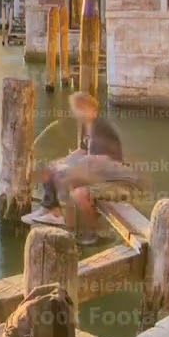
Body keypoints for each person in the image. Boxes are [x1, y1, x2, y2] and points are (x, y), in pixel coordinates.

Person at [23, 92, 144, 245]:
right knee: (52, 170)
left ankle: (91, 232)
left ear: (90, 109)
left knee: (69, 182)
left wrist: (69, 167)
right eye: (75, 108)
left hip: (113, 176)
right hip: (100, 173)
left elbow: (97, 159)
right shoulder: (87, 126)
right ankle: (51, 211)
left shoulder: (100, 127)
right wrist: (63, 161)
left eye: (80, 108)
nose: (76, 112)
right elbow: (82, 151)